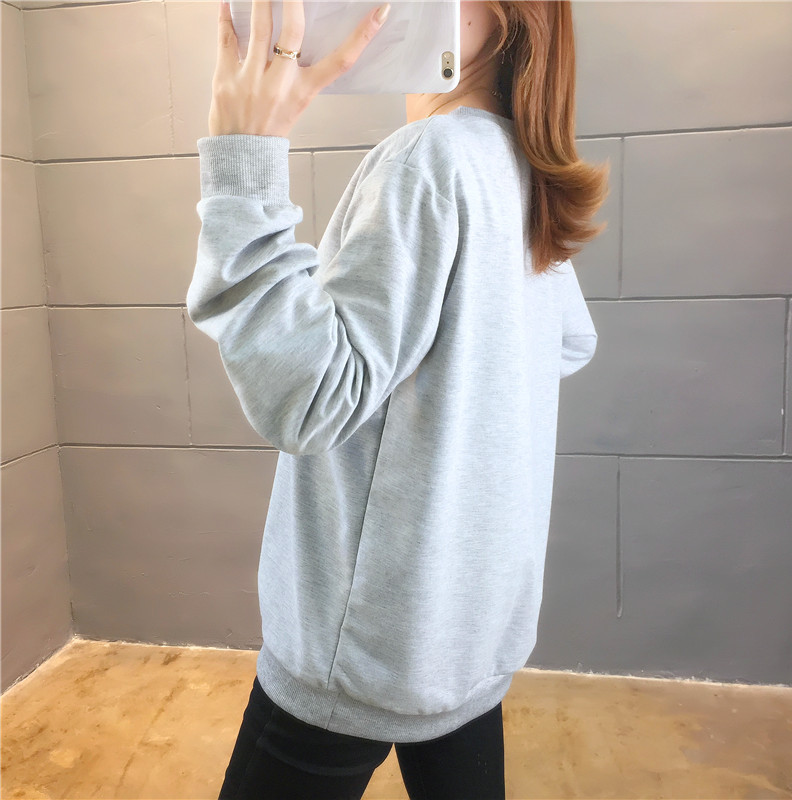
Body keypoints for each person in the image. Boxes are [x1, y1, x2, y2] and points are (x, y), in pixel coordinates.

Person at [187, 1, 610, 797]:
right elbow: (566, 341)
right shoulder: (514, 164)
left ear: (501, 15)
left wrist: (246, 160)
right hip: (467, 631)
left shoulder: (429, 158)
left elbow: (311, 398)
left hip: (365, 650)